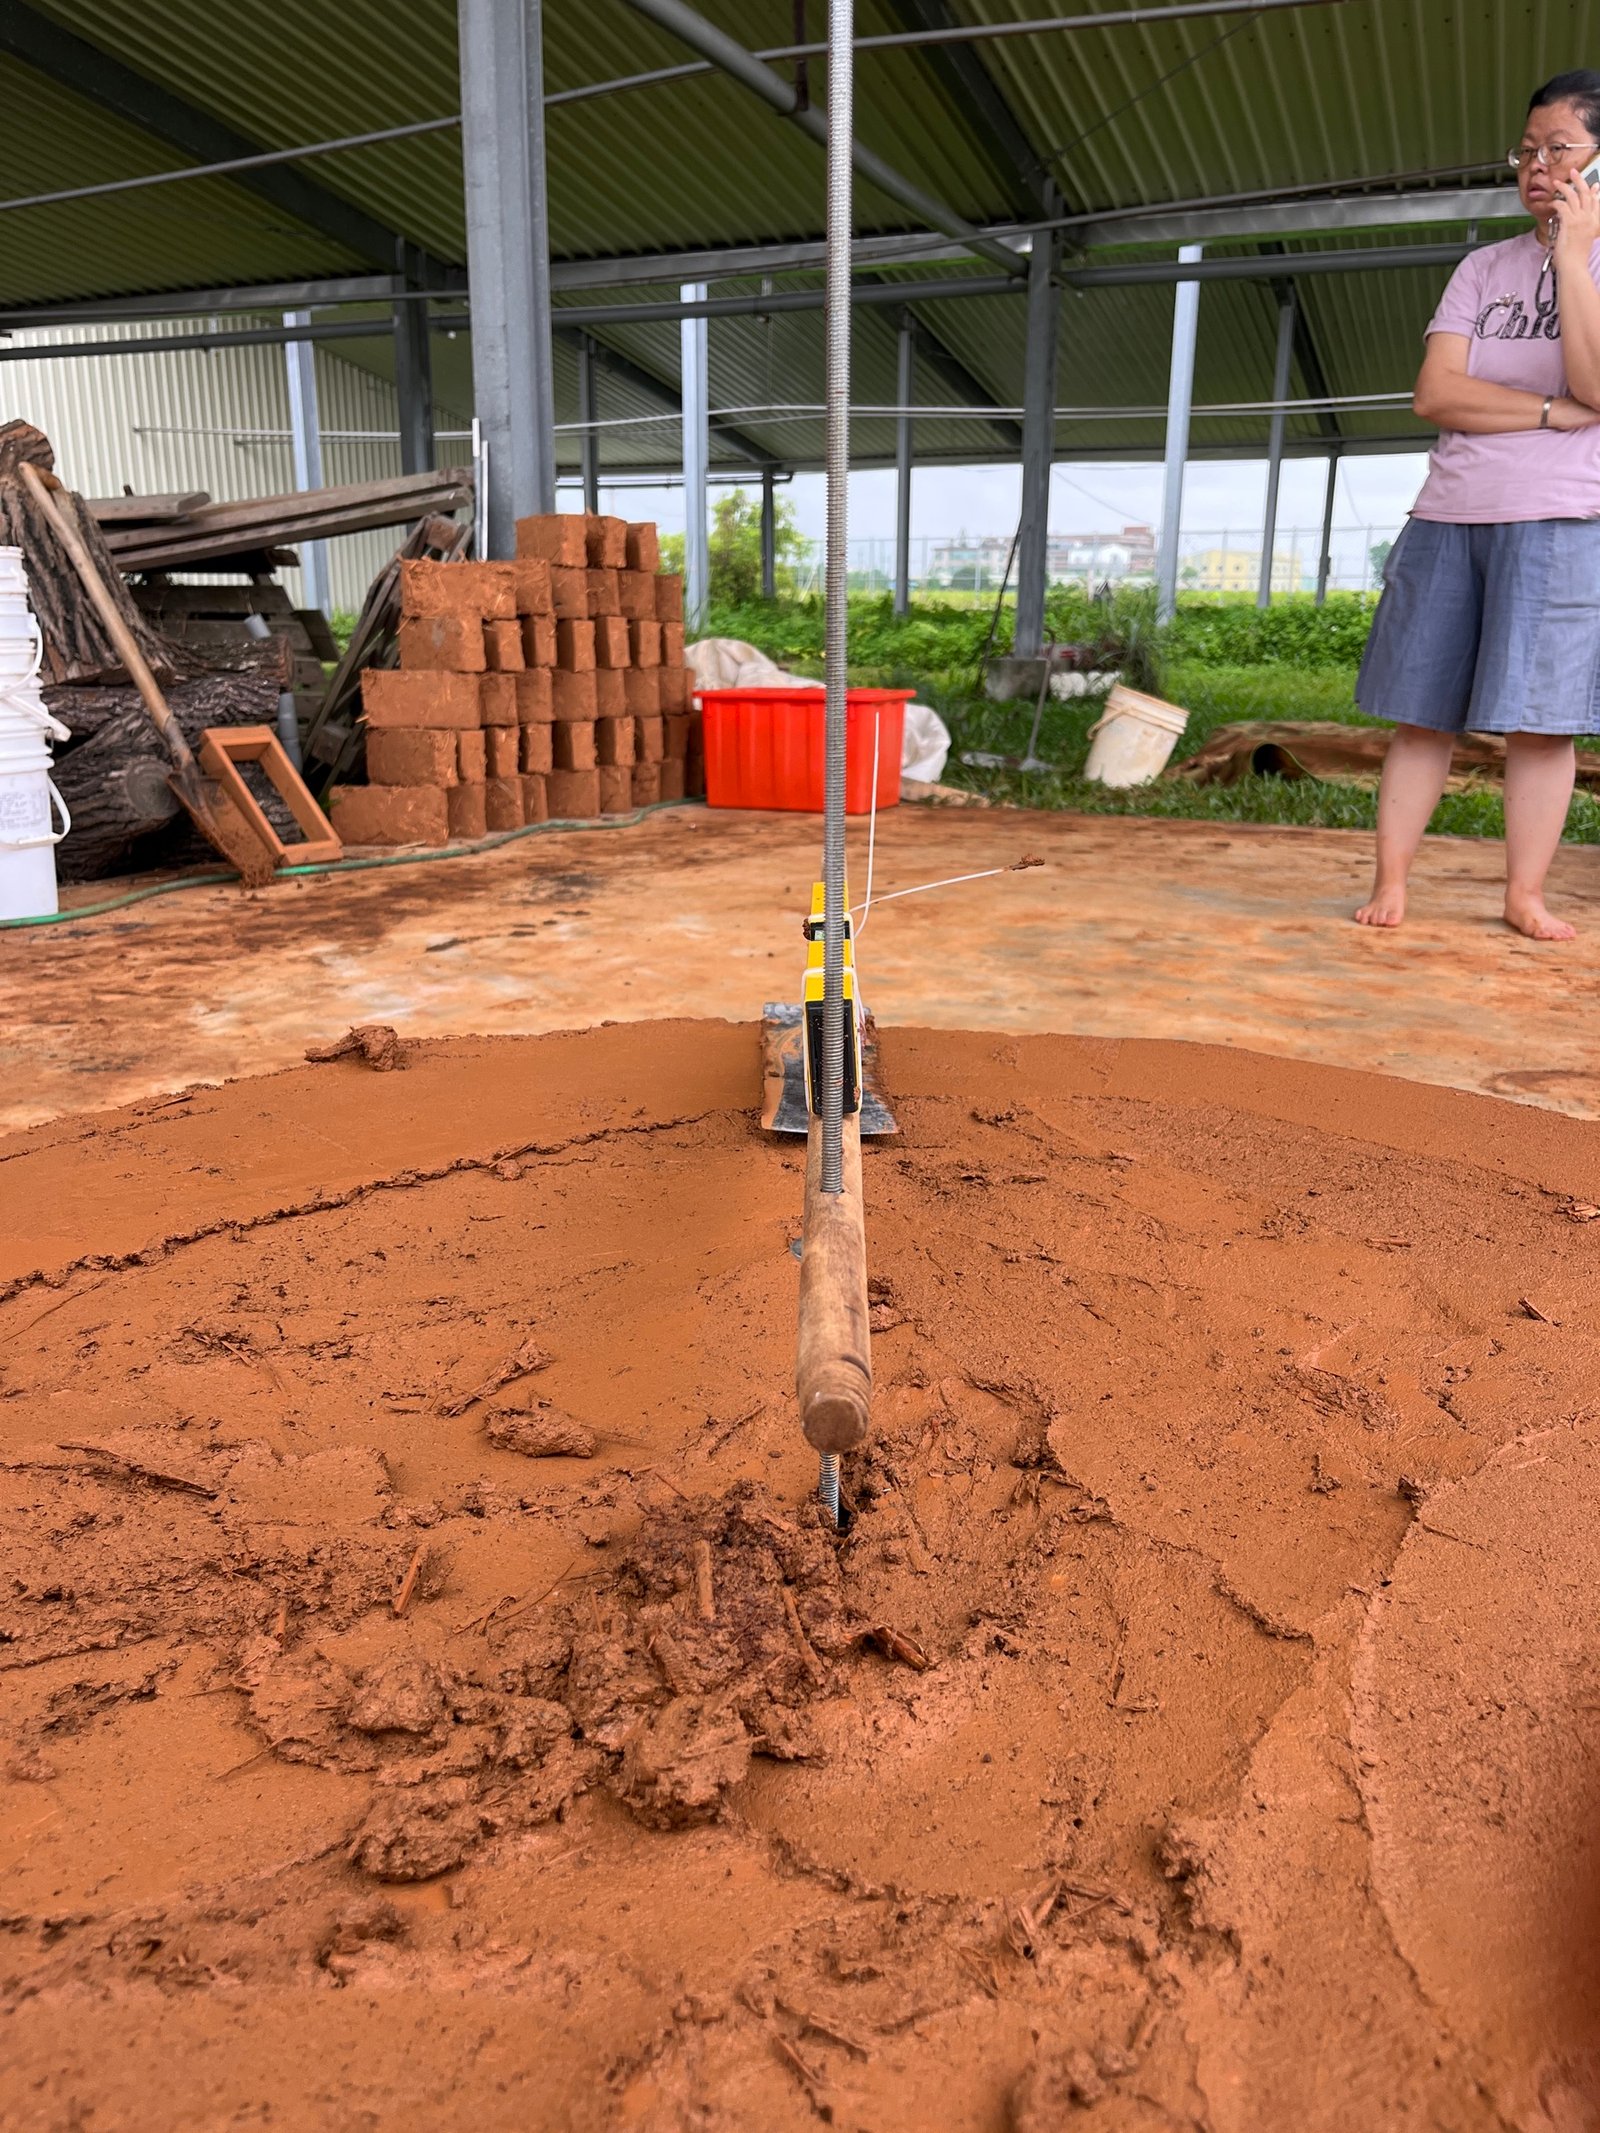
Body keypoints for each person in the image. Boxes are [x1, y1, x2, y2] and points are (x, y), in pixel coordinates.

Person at [1355, 70, 1600, 939]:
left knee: (1542, 724)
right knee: (1424, 713)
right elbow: (1435, 393)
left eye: (1558, 148)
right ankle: (1392, 880)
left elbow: (1597, 383)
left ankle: (1523, 895)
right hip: (1449, 511)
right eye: (1526, 150)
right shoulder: (1480, 266)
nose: (1537, 166)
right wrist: (1546, 412)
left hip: (1561, 516)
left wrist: (1574, 255)